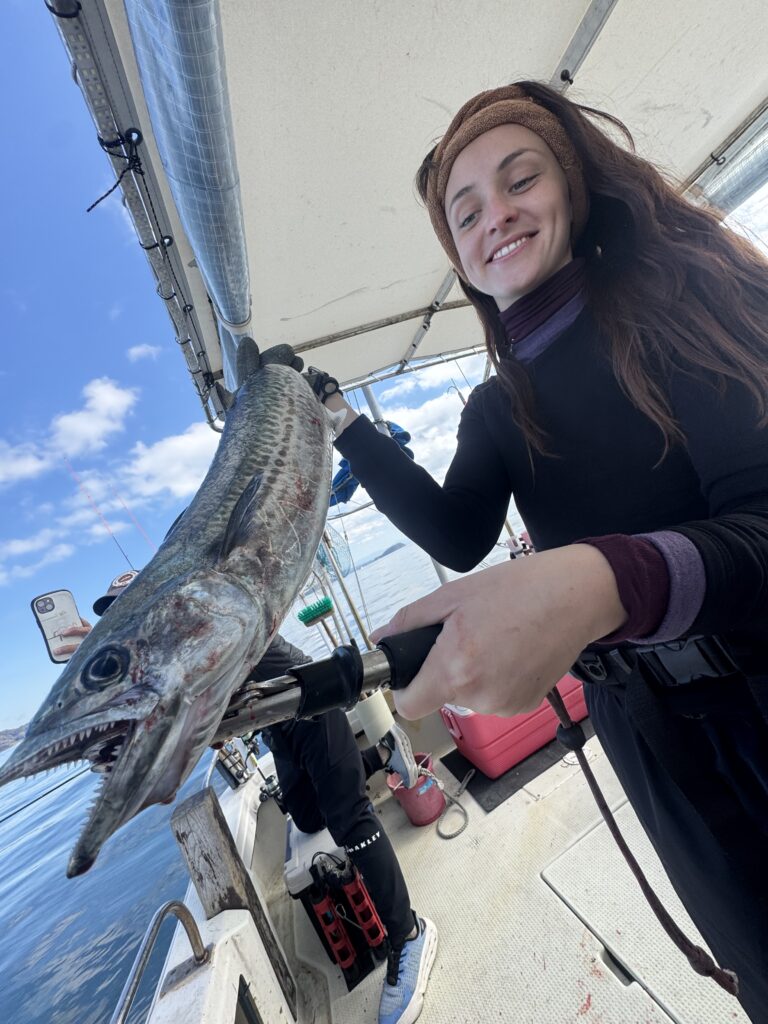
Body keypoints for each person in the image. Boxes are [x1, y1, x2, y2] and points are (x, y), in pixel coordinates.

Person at [291, 82, 768, 1021]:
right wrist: (345, 423)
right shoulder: (497, 407)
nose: (495, 218)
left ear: (574, 188)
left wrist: (603, 581)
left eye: (520, 181)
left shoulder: (684, 295)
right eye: (465, 213)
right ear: (458, 255)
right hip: (650, 732)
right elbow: (457, 533)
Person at [53, 570, 437, 1024]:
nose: (127, 617)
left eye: (131, 606)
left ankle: (409, 934)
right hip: (278, 725)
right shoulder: (169, 659)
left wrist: (108, 654)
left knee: (348, 818)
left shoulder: (204, 622)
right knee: (308, 818)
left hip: (312, 702)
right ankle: (382, 754)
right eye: (117, 612)